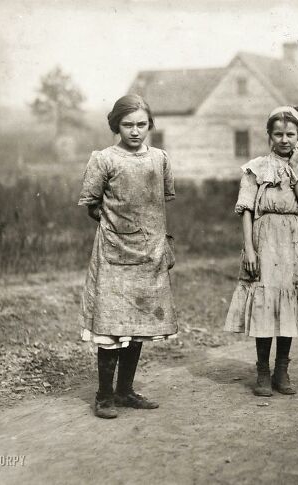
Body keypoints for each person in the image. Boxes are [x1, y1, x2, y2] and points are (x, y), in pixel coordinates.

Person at [78, 94, 177, 418]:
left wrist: (158, 240)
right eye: (127, 125)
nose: (135, 131)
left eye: (141, 124)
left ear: (150, 125)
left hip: (150, 253)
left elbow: (159, 203)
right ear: (115, 125)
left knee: (139, 323)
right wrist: (119, 229)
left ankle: (125, 391)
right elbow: (92, 203)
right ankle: (104, 396)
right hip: (113, 252)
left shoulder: (160, 158)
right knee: (110, 324)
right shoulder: (103, 158)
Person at [224, 105, 298, 397]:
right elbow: (245, 210)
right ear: (269, 135)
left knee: (289, 303)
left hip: (293, 242)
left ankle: (282, 369)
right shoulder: (256, 167)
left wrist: (293, 168)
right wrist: (250, 250)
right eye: (278, 133)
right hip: (264, 239)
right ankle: (262, 372)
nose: (284, 139)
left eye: (290, 134)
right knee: (264, 303)